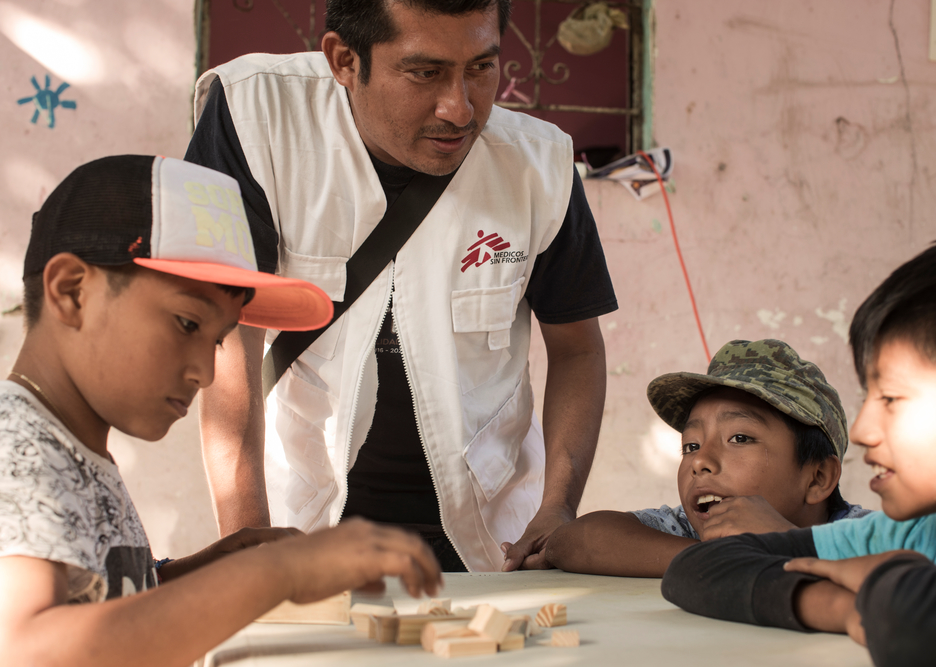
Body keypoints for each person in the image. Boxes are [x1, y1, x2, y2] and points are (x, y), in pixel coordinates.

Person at [184, 0, 617, 573]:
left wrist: (557, 507)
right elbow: (224, 336)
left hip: (490, 539)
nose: (460, 109)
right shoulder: (253, 117)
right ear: (344, 59)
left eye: (482, 67)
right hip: (305, 522)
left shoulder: (540, 165)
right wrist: (248, 545)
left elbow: (578, 348)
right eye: (425, 72)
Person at [0, 155, 442, 667]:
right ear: (72, 292)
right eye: (188, 324)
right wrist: (277, 575)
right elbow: (24, 647)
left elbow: (91, 597)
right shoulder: (19, 450)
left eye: (219, 340)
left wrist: (194, 573)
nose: (205, 374)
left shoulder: (65, 440)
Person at [662, 222, 936, 667]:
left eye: (892, 399)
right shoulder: (914, 533)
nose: (861, 431)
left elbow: (930, 618)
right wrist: (849, 606)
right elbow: (695, 571)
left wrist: (883, 583)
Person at [545, 339, 869, 578]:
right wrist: (721, 558)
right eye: (691, 445)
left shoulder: (865, 535)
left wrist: (786, 544)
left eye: (739, 438)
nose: (700, 461)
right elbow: (572, 541)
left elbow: (912, 578)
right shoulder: (687, 530)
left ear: (818, 477)